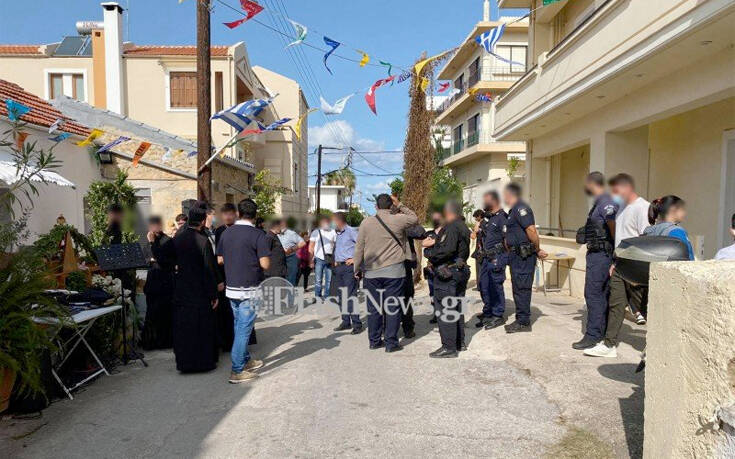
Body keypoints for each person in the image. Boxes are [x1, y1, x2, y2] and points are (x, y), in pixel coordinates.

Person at [585, 173, 650, 358]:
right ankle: (609, 344)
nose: (613, 195)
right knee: (616, 304)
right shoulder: (621, 208)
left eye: (616, 190)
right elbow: (618, 236)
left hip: (636, 267)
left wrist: (640, 269)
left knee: (643, 308)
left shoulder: (642, 208)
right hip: (620, 264)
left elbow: (645, 239)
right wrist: (615, 261)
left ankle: (654, 345)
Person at [152, 206, 222, 373]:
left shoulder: (178, 238)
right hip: (200, 291)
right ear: (203, 221)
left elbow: (162, 259)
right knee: (201, 327)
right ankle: (203, 363)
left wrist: (153, 241)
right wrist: (214, 294)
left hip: (182, 289)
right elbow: (209, 269)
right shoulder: (202, 241)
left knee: (184, 328)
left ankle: (185, 363)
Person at [353, 194, 418, 352]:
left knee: (374, 308)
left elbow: (359, 248)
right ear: (391, 206)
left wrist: (356, 269)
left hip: (372, 272)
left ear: (376, 206)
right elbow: (414, 217)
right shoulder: (399, 219)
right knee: (393, 307)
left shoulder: (366, 222)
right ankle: (391, 343)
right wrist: (400, 203)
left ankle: (374, 341)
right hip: (394, 271)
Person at [216, 199, 270, 383]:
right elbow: (265, 264)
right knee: (243, 330)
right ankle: (237, 370)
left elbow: (220, 260)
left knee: (239, 326)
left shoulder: (226, 233)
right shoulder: (258, 235)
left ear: (238, 213)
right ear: (255, 216)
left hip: (231, 288)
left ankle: (245, 360)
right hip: (250, 289)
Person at [573, 172, 619, 350]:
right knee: (599, 294)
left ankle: (593, 335)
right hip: (596, 254)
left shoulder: (606, 202)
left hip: (602, 255)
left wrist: (614, 249)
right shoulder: (599, 202)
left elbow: (612, 224)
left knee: (594, 294)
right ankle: (600, 332)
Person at [424, 200, 471, 358]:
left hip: (448, 272)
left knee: (446, 309)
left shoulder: (451, 227)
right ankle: (459, 342)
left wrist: (429, 253)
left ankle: (449, 347)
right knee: (457, 307)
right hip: (459, 270)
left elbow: (446, 250)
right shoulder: (463, 226)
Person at [503, 183, 547, 333]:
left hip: (524, 256)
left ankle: (523, 322)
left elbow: (531, 230)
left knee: (522, 288)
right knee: (517, 287)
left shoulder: (522, 208)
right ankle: (520, 318)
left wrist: (537, 249)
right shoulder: (513, 210)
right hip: (516, 256)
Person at [476, 191, 509, 330]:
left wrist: (504, 257)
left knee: (496, 286)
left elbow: (507, 240)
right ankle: (488, 312)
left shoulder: (502, 218)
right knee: (485, 286)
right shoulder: (490, 218)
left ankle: (498, 315)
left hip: (497, 257)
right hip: (486, 258)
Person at [142, 216, 174, 350]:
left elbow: (162, 260)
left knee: (164, 314)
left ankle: (164, 341)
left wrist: (152, 245)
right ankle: (151, 341)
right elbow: (146, 259)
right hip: (153, 281)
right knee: (151, 313)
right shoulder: (149, 242)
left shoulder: (167, 241)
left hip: (165, 282)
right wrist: (152, 258)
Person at [331, 212, 363, 334]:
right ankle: (345, 321)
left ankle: (357, 324)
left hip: (349, 268)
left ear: (339, 221)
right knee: (341, 296)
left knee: (350, 296)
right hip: (339, 268)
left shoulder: (351, 231)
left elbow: (362, 246)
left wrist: (355, 260)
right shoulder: (338, 234)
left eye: (333, 221)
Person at [214, 203, 238, 352]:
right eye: (225, 214)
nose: (228, 216)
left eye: (231, 213)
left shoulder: (239, 230)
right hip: (224, 273)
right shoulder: (219, 231)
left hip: (238, 272)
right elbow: (219, 256)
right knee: (226, 309)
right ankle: (227, 342)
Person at [643, 196, 694, 260]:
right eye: (682, 209)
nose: (685, 213)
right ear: (673, 209)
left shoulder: (648, 231)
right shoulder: (676, 231)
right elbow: (683, 260)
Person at [423, 211, 444, 325]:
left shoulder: (446, 232)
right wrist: (437, 241)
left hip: (443, 266)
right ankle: (436, 314)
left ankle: (444, 314)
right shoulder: (429, 232)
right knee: (432, 292)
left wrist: (433, 242)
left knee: (443, 291)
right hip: (431, 267)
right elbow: (424, 244)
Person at [309, 216, 337, 299]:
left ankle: (327, 296)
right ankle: (317, 296)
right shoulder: (316, 232)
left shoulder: (333, 232)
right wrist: (310, 261)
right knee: (318, 280)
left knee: (329, 280)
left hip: (330, 259)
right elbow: (311, 246)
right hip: (319, 259)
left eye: (327, 222)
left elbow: (336, 246)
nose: (325, 224)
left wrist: (335, 259)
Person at [278, 220, 306, 286]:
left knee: (290, 279)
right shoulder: (276, 233)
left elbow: (303, 243)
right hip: (279, 259)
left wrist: (292, 249)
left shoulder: (291, 233)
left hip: (290, 258)